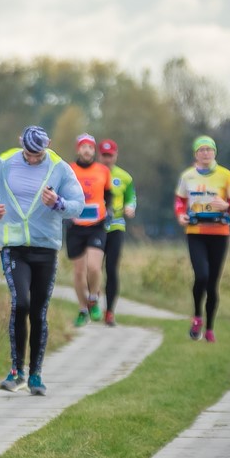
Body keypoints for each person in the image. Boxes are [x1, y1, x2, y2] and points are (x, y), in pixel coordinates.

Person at [0, 125, 85, 396]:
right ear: (20, 143)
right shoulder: (5, 162)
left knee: (38, 311)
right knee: (21, 303)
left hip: (45, 247)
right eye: (29, 153)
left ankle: (35, 374)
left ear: (48, 145)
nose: (33, 158)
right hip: (13, 246)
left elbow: (78, 204)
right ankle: (16, 372)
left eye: (38, 154)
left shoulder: (60, 168)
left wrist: (58, 203)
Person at [174, 135, 230, 342]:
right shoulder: (187, 176)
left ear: (215, 152)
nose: (206, 153)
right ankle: (197, 316)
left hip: (219, 233)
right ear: (196, 154)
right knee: (201, 276)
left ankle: (210, 327)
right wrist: (180, 215)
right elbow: (180, 201)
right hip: (196, 233)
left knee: (213, 283)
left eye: (209, 149)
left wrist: (227, 206)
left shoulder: (225, 175)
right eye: (201, 150)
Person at [65, 134, 114, 326]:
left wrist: (108, 210)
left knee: (94, 267)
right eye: (83, 147)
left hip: (96, 225)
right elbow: (62, 193)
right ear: (78, 149)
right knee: (79, 272)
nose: (87, 150)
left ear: (94, 151)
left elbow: (108, 194)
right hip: (75, 226)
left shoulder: (103, 171)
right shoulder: (69, 170)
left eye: (91, 147)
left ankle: (93, 299)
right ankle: (82, 309)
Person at [98, 139, 137, 325]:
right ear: (99, 156)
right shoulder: (93, 173)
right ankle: (91, 304)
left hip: (116, 227)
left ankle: (110, 312)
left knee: (111, 269)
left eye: (110, 155)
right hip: (95, 228)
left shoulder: (125, 177)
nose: (107, 159)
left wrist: (130, 207)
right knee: (93, 269)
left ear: (116, 155)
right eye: (104, 155)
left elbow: (131, 198)